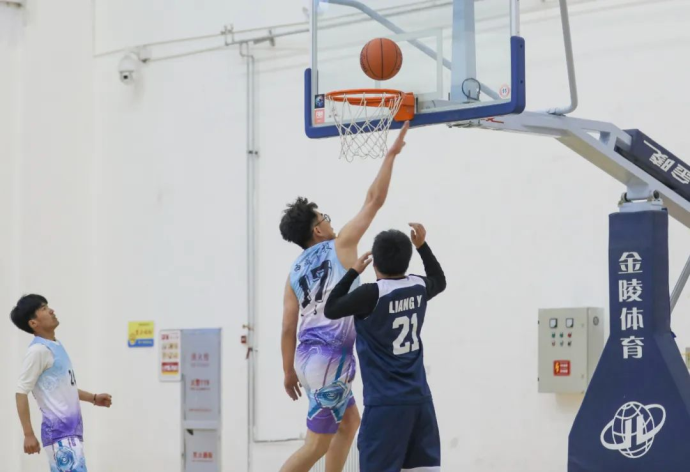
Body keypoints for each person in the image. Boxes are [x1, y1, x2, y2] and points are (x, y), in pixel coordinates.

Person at [278, 122, 410, 472]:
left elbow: (288, 327)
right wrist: (390, 155)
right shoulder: (341, 245)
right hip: (329, 359)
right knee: (315, 445)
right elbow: (374, 200)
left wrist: (288, 370)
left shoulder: (293, 272)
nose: (329, 221)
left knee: (349, 423)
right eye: (324, 217)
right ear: (317, 230)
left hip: (307, 358)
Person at [324, 223, 446, 472]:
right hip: (420, 402)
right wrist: (422, 246)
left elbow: (331, 307)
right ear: (407, 261)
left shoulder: (371, 294)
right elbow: (440, 281)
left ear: (375, 263)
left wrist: (353, 272)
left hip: (385, 405)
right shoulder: (418, 285)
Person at [11, 294, 113, 472]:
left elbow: (65, 387)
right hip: (59, 435)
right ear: (33, 323)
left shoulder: (55, 346)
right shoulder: (38, 351)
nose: (51, 311)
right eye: (44, 309)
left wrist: (93, 398)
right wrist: (28, 434)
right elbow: (21, 392)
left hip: (71, 433)